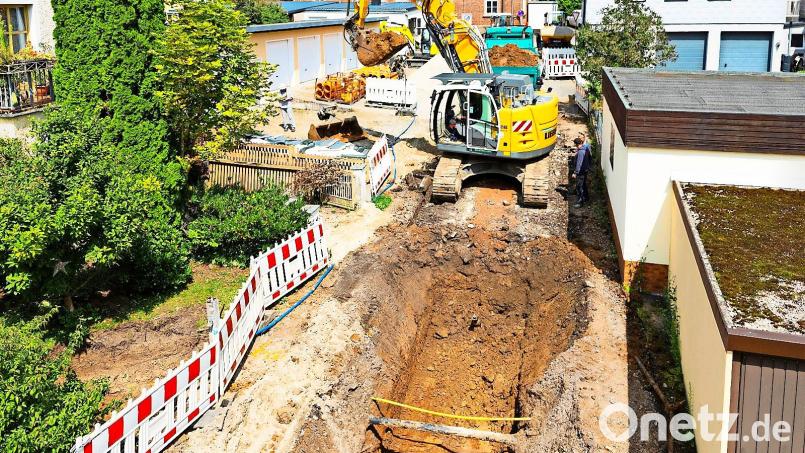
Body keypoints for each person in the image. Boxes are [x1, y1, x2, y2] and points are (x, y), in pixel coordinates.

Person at [571, 136, 591, 207]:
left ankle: (580, 202)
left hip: (581, 172)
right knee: (584, 185)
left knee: (580, 186)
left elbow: (579, 164)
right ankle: (586, 198)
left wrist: (575, 173)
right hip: (585, 170)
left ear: (576, 144)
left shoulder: (580, 152)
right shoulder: (586, 148)